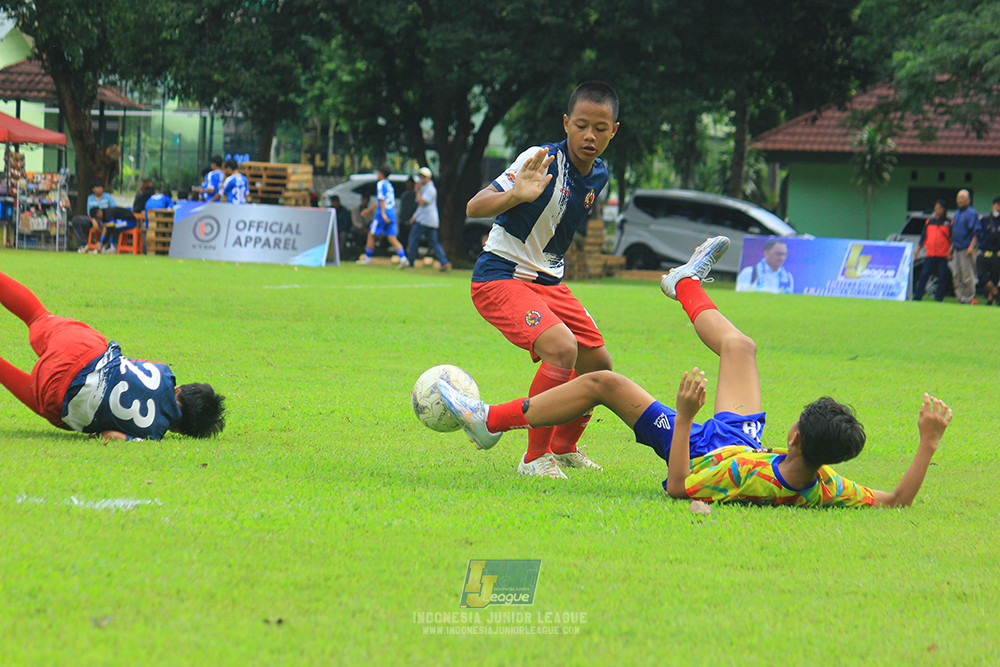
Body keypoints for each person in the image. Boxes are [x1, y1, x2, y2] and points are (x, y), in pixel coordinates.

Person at [439, 237, 952, 508]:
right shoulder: (825, 486)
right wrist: (927, 443)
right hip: (742, 436)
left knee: (602, 384)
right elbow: (894, 500)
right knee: (740, 347)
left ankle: (490, 421)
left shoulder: (740, 478)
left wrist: (683, 416)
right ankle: (684, 281)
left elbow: (678, 486)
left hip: (705, 445)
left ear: (794, 436)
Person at [465, 81, 620, 478]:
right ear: (566, 123)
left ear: (613, 131)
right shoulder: (539, 160)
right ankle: (534, 458)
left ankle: (565, 446)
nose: (590, 135)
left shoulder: (599, 175)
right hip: (500, 274)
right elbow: (474, 206)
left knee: (599, 364)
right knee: (562, 349)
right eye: (582, 125)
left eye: (600, 128)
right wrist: (515, 196)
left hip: (549, 283)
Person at [0, 271, 225, 441]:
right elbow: (110, 436)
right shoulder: (153, 434)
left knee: (38, 316)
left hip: (81, 349)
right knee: (55, 407)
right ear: (181, 430)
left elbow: (127, 366)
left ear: (180, 389)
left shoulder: (164, 374)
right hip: (59, 396)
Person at [358, 165, 409, 267]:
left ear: (381, 174)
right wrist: (369, 210)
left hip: (383, 213)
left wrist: (382, 214)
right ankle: (403, 258)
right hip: (392, 213)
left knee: (371, 234)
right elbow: (381, 200)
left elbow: (381, 200)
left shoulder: (380, 184)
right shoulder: (389, 185)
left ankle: (368, 259)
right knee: (391, 237)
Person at [404, 167, 450, 271]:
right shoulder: (425, 188)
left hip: (425, 220)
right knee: (434, 242)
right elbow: (421, 207)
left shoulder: (430, 189)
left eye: (424, 177)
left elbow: (422, 202)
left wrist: (417, 191)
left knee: (413, 238)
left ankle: (411, 261)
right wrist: (414, 216)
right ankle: (444, 262)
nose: (421, 179)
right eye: (420, 176)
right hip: (427, 220)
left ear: (429, 178)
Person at [913, 200, 952, 302]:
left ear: (944, 210)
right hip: (930, 253)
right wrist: (918, 250)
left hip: (943, 254)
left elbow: (951, 239)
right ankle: (918, 296)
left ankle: (939, 297)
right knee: (924, 274)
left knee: (942, 276)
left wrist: (950, 252)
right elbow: (924, 237)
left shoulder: (948, 222)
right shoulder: (929, 222)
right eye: (936, 208)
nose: (938, 211)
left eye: (940, 208)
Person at [949, 189, 980, 305]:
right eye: (958, 198)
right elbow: (955, 233)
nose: (960, 200)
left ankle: (968, 298)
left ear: (968, 200)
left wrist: (971, 247)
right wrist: (951, 248)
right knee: (956, 274)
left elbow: (976, 232)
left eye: (962, 198)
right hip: (957, 248)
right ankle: (960, 298)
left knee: (967, 275)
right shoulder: (957, 214)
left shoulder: (971, 213)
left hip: (966, 248)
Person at [976, 196, 1000, 305]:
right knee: (982, 277)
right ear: (993, 205)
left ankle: (990, 300)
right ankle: (997, 294)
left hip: (997, 254)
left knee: (994, 278)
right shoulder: (984, 219)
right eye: (997, 204)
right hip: (984, 252)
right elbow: (978, 234)